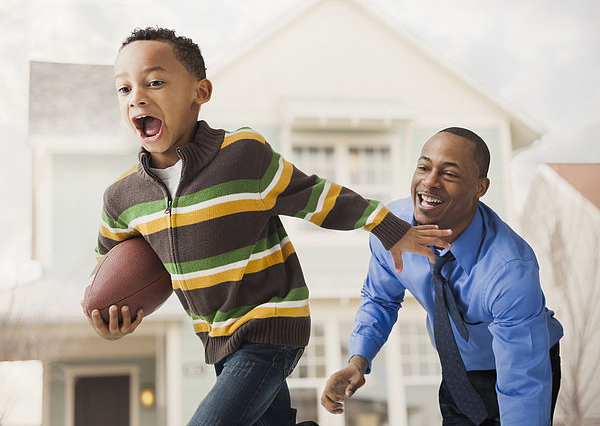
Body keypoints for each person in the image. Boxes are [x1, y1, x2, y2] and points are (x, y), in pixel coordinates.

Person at [83, 26, 452, 426]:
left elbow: (316, 196)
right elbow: (108, 269)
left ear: (200, 92)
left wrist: (388, 226)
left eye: (154, 82)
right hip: (217, 339)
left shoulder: (242, 155)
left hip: (271, 327)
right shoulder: (121, 199)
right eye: (124, 89)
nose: (137, 95)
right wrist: (107, 321)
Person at [321, 128, 563, 425]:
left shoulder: (509, 269)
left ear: (480, 187)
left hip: (522, 362)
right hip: (457, 370)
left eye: (449, 174)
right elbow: (380, 299)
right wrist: (358, 360)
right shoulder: (391, 231)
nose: (430, 181)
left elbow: (522, 386)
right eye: (424, 167)